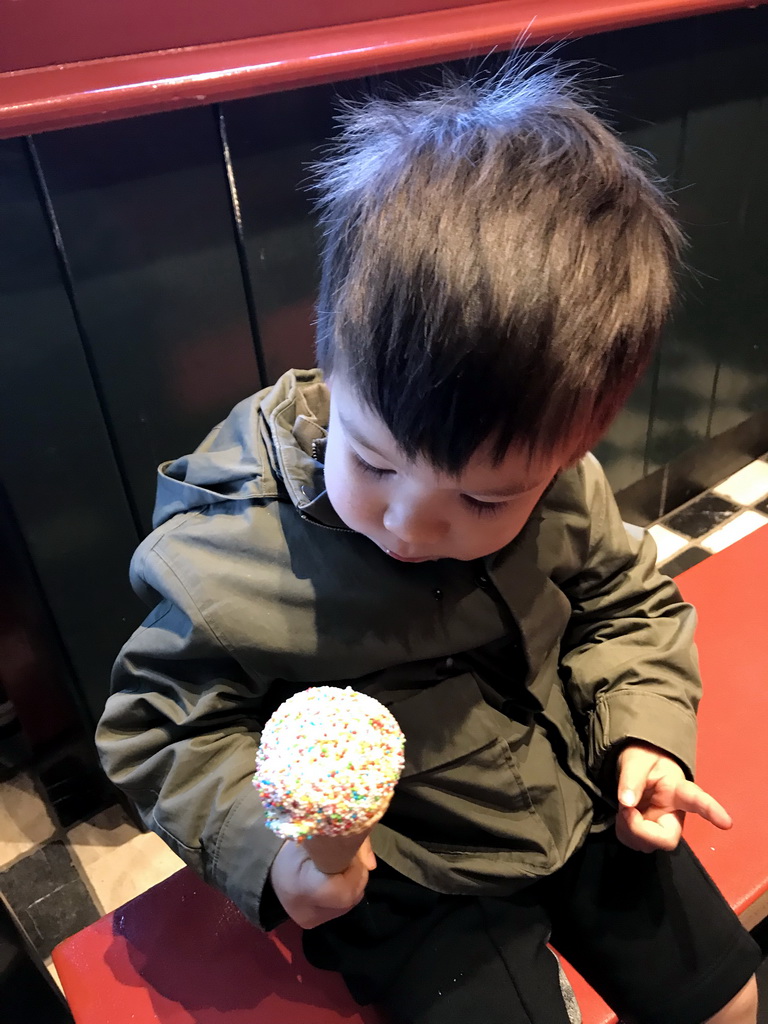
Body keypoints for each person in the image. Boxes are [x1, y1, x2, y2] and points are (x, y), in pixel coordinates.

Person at [96, 56, 761, 1024]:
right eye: (373, 464)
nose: (413, 525)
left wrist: (646, 734)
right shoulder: (226, 557)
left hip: (575, 784)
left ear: (571, 449)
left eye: (488, 501)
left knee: (728, 997)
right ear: (329, 354)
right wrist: (281, 858)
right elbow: (164, 730)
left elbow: (628, 605)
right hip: (399, 873)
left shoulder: (561, 489)